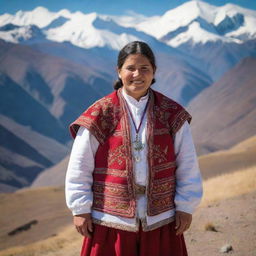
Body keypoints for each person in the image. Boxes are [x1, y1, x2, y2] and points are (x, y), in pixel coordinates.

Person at [65, 41, 203, 256]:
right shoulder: (100, 113)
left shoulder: (172, 114)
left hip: (161, 219)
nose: (137, 74)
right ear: (119, 71)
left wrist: (186, 206)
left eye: (144, 68)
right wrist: (80, 208)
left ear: (154, 71)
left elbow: (187, 163)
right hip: (110, 221)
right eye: (130, 68)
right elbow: (80, 165)